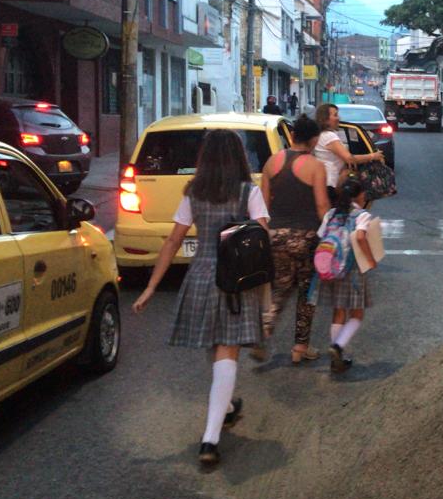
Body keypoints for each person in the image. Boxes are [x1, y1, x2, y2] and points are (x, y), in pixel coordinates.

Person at [132, 130, 269, 468]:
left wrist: (151, 286)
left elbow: (172, 241)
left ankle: (226, 407)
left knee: (217, 347)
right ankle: (210, 438)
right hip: (235, 279)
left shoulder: (194, 193)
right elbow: (263, 235)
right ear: (239, 157)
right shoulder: (248, 192)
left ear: (205, 159)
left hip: (202, 275)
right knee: (227, 350)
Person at [257, 115, 330, 364]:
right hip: (306, 237)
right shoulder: (315, 166)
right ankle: (300, 348)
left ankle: (265, 330)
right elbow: (321, 207)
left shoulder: (271, 163)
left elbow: (263, 207)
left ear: (292, 136)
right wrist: (333, 232)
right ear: (313, 140)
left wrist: (267, 234)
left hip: (275, 235)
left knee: (280, 287)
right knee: (307, 292)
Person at [318, 179, 378, 374]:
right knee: (357, 314)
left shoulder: (331, 213)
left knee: (338, 311)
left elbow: (322, 237)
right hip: (351, 269)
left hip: (331, 267)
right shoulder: (361, 215)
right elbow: (360, 237)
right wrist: (370, 259)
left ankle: (337, 354)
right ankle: (338, 347)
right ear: (358, 196)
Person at [313, 103, 384, 198]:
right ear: (325, 119)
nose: (338, 118)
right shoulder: (329, 136)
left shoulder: (320, 135)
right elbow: (349, 158)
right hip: (331, 182)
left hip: (324, 180)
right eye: (335, 115)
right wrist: (373, 156)